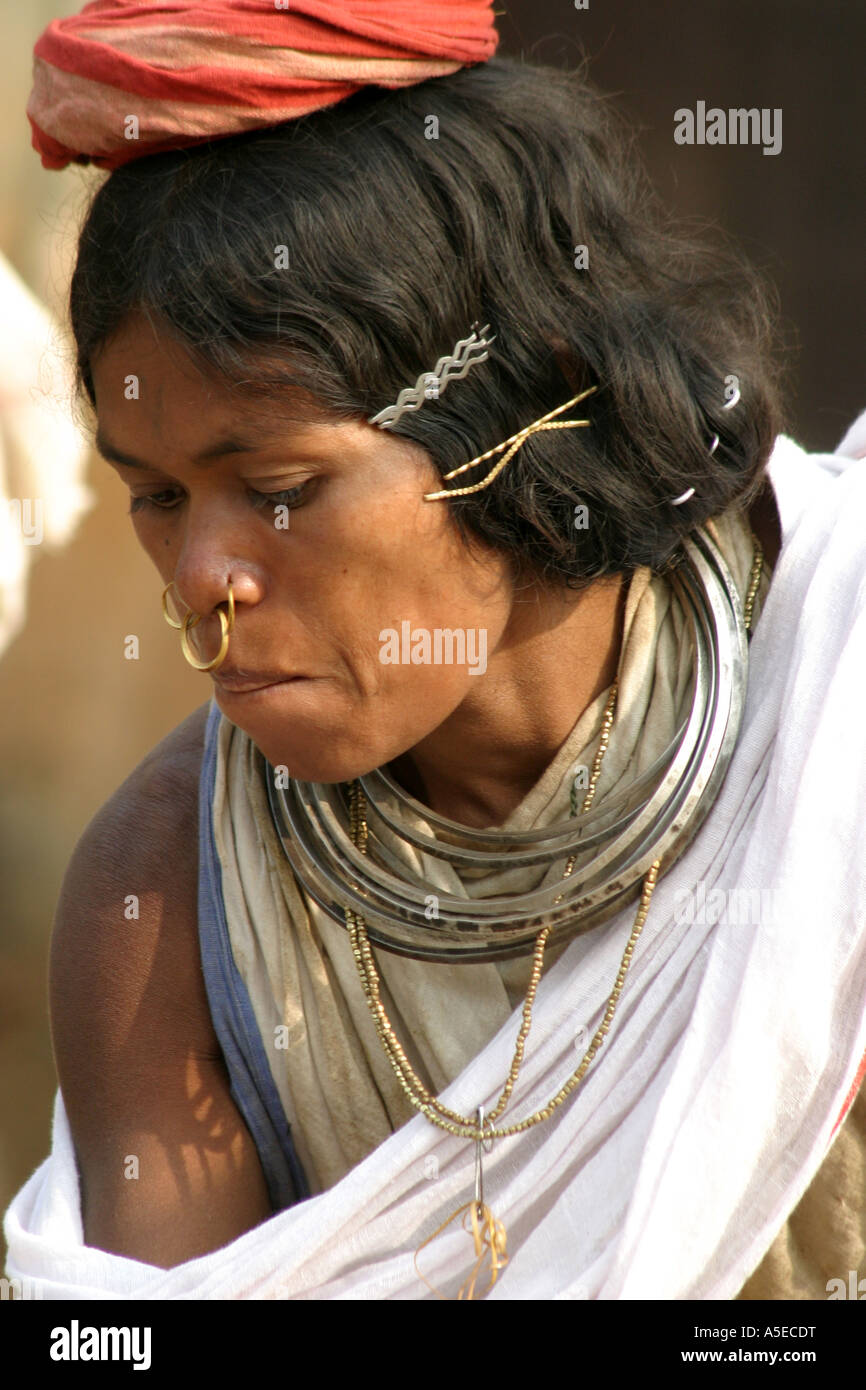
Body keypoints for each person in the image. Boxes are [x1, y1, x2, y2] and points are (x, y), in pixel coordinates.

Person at [4, 0, 865, 1300]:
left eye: (282, 484)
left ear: (533, 402)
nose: (200, 585)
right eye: (158, 496)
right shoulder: (168, 906)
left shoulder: (831, 728)